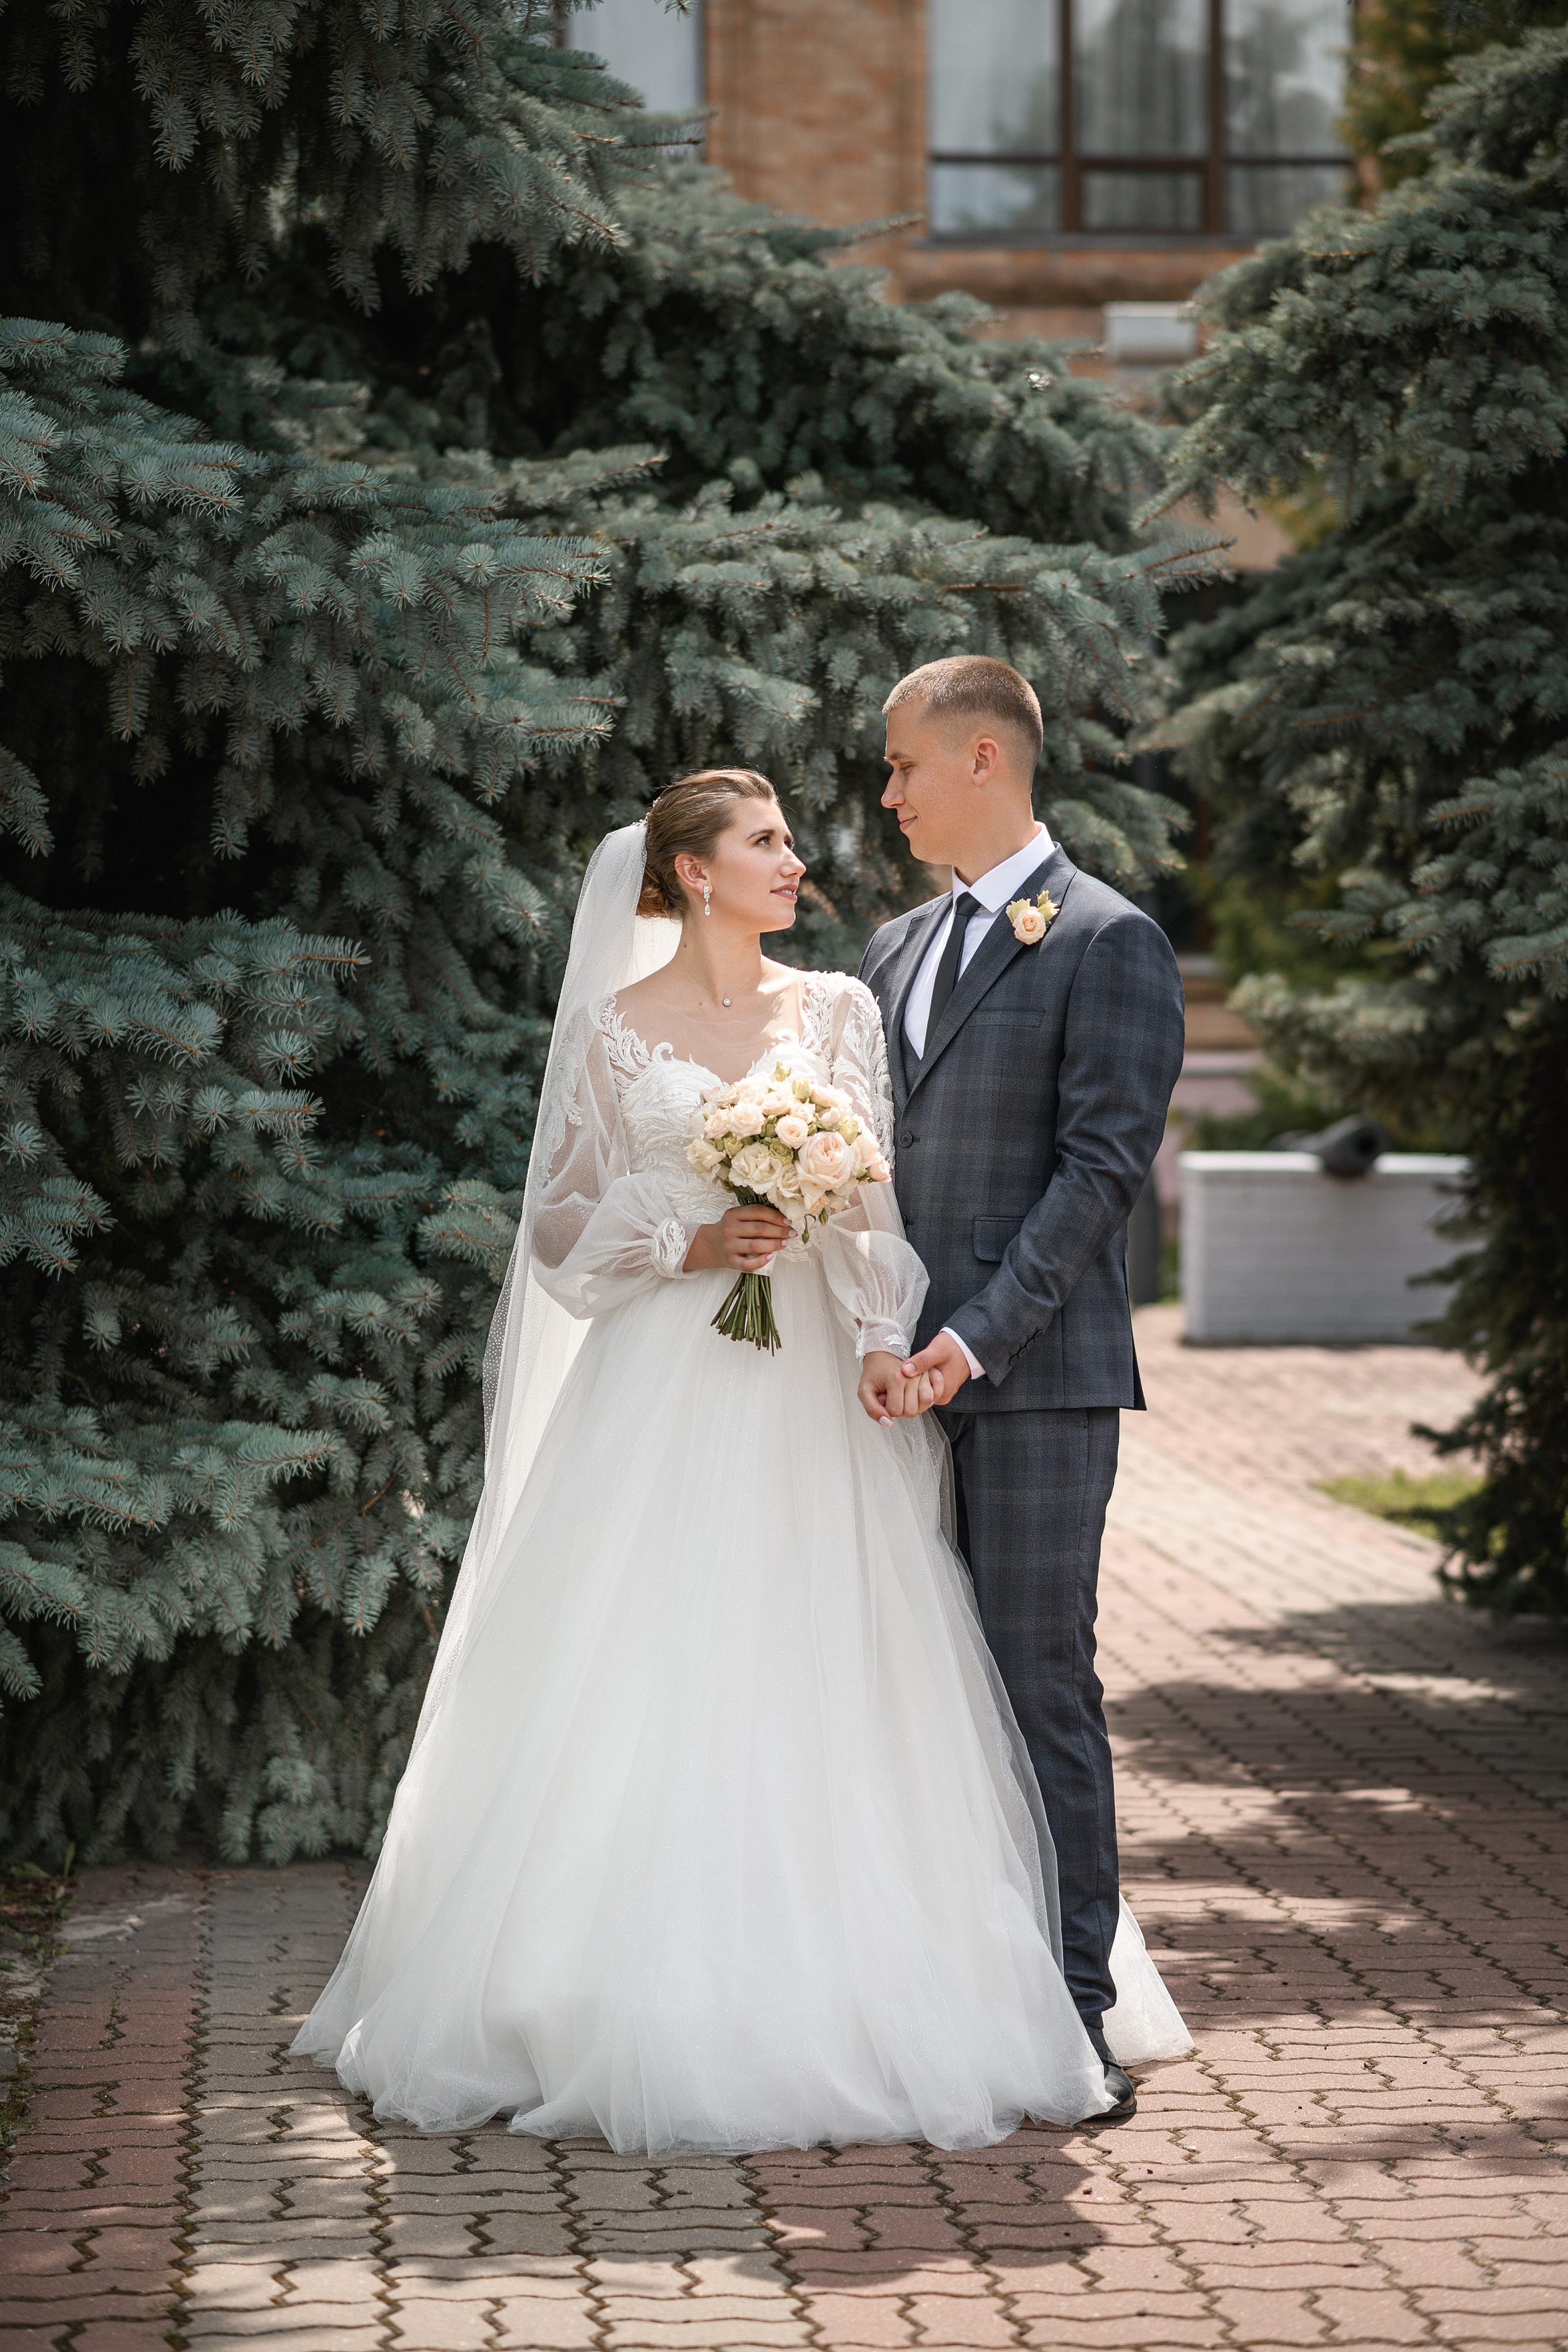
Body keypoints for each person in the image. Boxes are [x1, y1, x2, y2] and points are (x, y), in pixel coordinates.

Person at [293, 767, 1189, 2154]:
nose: (796, 859)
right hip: (658, 1388)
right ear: (691, 873)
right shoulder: (609, 1033)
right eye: (764, 843)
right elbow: (556, 1236)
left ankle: (895, 1982)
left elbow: (876, 1204)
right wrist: (689, 1238)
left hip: (811, 1396)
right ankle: (619, 1983)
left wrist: (893, 1340)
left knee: (827, 1661)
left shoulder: (837, 1005)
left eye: (787, 840)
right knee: (649, 1664)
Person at [859, 656, 1188, 2123]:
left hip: (1035, 1381)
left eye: (900, 766)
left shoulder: (1107, 941)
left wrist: (972, 1337)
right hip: (878, 1391)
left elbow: (1100, 1174)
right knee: (909, 1690)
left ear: (981, 757)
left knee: (1033, 1683)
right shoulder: (887, 950)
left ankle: (1067, 2014)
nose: (885, 792)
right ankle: (936, 1988)